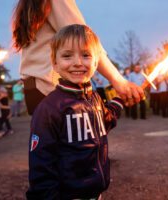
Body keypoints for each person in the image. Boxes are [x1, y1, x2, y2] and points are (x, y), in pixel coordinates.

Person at [27, 24, 124, 200]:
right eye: (67, 55)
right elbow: (41, 165)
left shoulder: (94, 98)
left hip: (96, 193)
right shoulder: (49, 109)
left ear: (96, 62)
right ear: (54, 63)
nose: (78, 62)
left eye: (86, 55)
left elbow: (105, 121)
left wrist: (120, 100)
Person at [12, 0, 144, 115]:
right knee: (75, 140)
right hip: (51, 86)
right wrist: (119, 81)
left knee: (49, 140)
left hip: (35, 86)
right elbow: (85, 40)